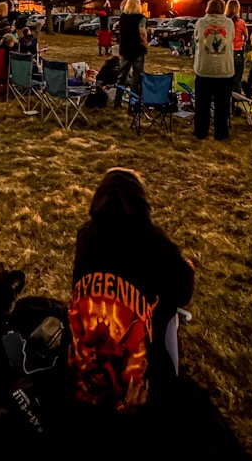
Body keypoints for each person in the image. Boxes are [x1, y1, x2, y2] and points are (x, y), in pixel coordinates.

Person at [69, 168, 194, 413]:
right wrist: (186, 268)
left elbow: (76, 287)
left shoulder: (85, 236)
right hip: (136, 379)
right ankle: (170, 377)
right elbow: (183, 293)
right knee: (170, 312)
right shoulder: (156, 244)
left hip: (84, 364)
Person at [192, 0, 235, 141]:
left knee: (202, 104)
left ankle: (201, 131)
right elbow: (232, 39)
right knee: (222, 105)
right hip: (224, 70)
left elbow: (196, 38)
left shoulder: (201, 23)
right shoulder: (229, 24)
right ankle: (221, 133)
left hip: (204, 69)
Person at [113, 0, 148, 107]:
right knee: (136, 77)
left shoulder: (123, 17)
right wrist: (145, 44)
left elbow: (121, 5)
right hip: (137, 49)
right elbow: (142, 32)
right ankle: (133, 102)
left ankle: (117, 100)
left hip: (125, 49)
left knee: (122, 75)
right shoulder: (141, 18)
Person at [224, 0, 248, 94]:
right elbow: (246, 36)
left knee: (226, 78)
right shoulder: (241, 22)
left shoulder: (224, 22)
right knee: (237, 78)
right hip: (237, 51)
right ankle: (235, 101)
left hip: (226, 51)